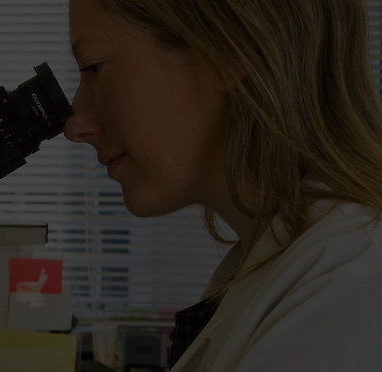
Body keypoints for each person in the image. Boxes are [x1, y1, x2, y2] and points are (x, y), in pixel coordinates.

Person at [63, 0, 382, 370]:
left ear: (228, 51)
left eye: (94, 68)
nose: (76, 125)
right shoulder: (270, 269)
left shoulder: (347, 286)